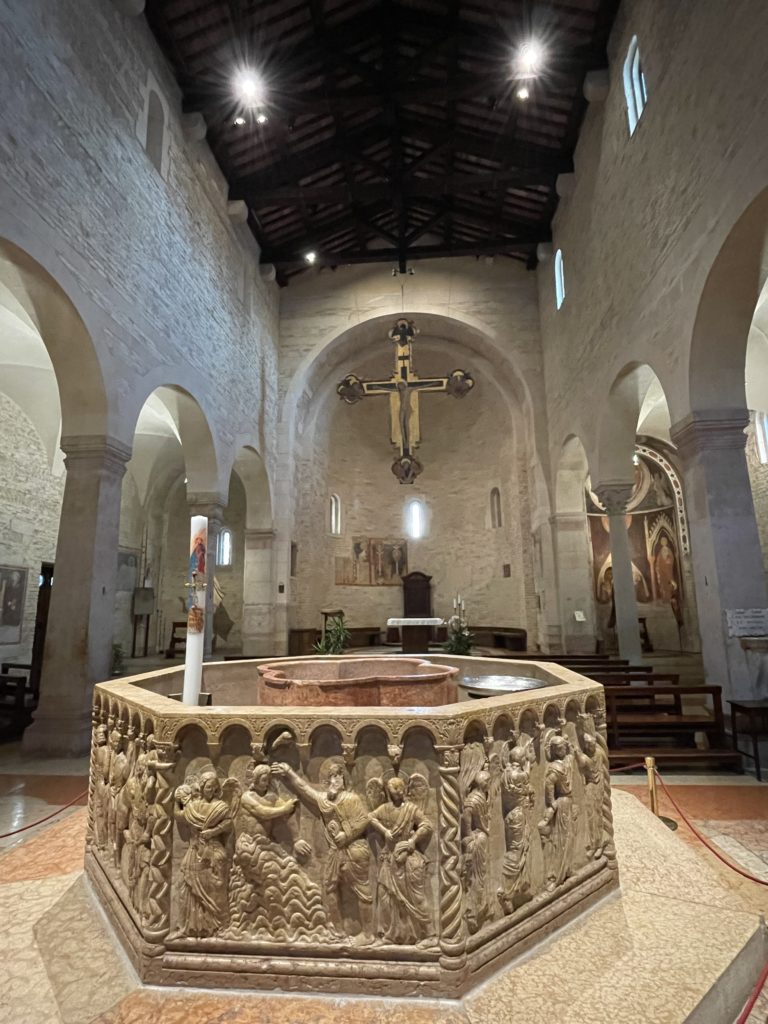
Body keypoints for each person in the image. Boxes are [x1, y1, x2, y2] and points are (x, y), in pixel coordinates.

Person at [272, 760, 374, 941]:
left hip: (355, 849)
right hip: (335, 852)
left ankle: (368, 935)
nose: (334, 780)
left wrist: (346, 834)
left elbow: (364, 820)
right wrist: (289, 771)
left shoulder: (352, 799)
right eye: (331, 777)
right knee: (330, 887)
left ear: (344, 779)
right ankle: (338, 931)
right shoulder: (324, 800)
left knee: (362, 891)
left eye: (337, 776)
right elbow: (304, 789)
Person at [228, 762, 329, 940]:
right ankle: (257, 919)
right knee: (271, 873)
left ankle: (297, 920)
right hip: (248, 845)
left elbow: (288, 815)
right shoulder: (247, 797)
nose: (266, 783)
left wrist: (297, 839)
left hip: (264, 845)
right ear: (255, 780)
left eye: (268, 780)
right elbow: (261, 812)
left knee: (290, 872)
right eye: (263, 779)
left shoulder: (272, 797)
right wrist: (284, 808)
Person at [369, 776, 433, 944]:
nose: (396, 795)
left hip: (407, 858)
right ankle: (392, 934)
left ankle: (429, 934)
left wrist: (412, 840)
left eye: (398, 791)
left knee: (415, 898)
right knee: (385, 897)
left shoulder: (411, 809)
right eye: (392, 792)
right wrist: (384, 831)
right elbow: (371, 817)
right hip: (389, 858)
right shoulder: (385, 808)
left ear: (403, 790)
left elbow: (427, 825)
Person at [174, 771, 233, 937]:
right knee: (185, 888)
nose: (211, 790)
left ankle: (219, 926)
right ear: (202, 787)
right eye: (208, 787)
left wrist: (214, 831)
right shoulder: (193, 806)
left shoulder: (220, 807)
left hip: (213, 852)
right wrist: (176, 800)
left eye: (213, 787)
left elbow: (228, 823)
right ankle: (188, 928)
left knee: (214, 890)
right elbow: (179, 816)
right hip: (194, 851)